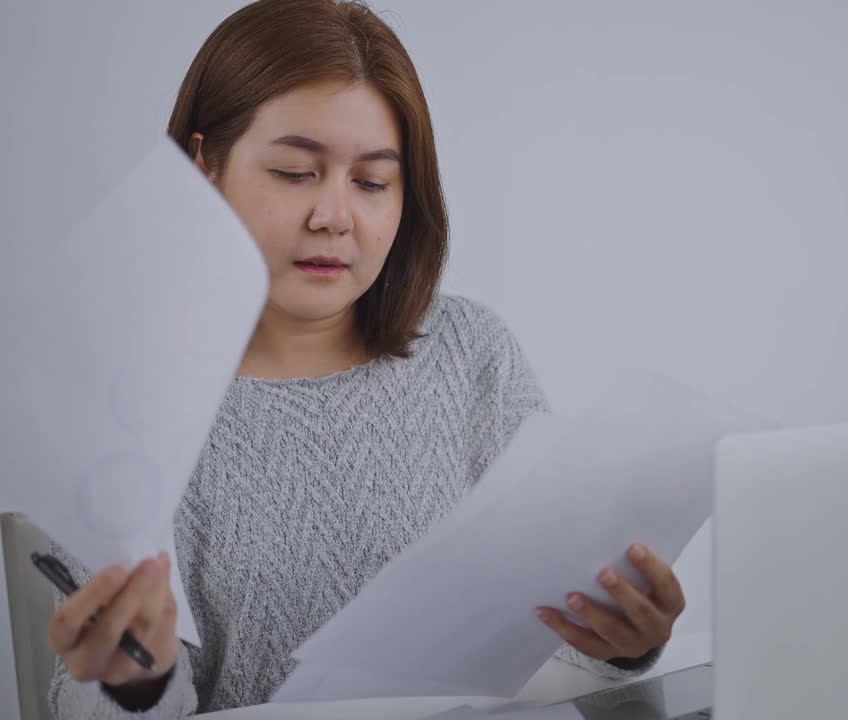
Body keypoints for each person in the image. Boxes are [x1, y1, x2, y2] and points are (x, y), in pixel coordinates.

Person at [46, 1, 684, 716]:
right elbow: (93, 694)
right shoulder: (127, 405)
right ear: (204, 168)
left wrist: (617, 640)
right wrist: (138, 681)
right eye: (294, 172)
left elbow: (547, 660)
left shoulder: (473, 356)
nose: (335, 216)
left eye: (373, 183)